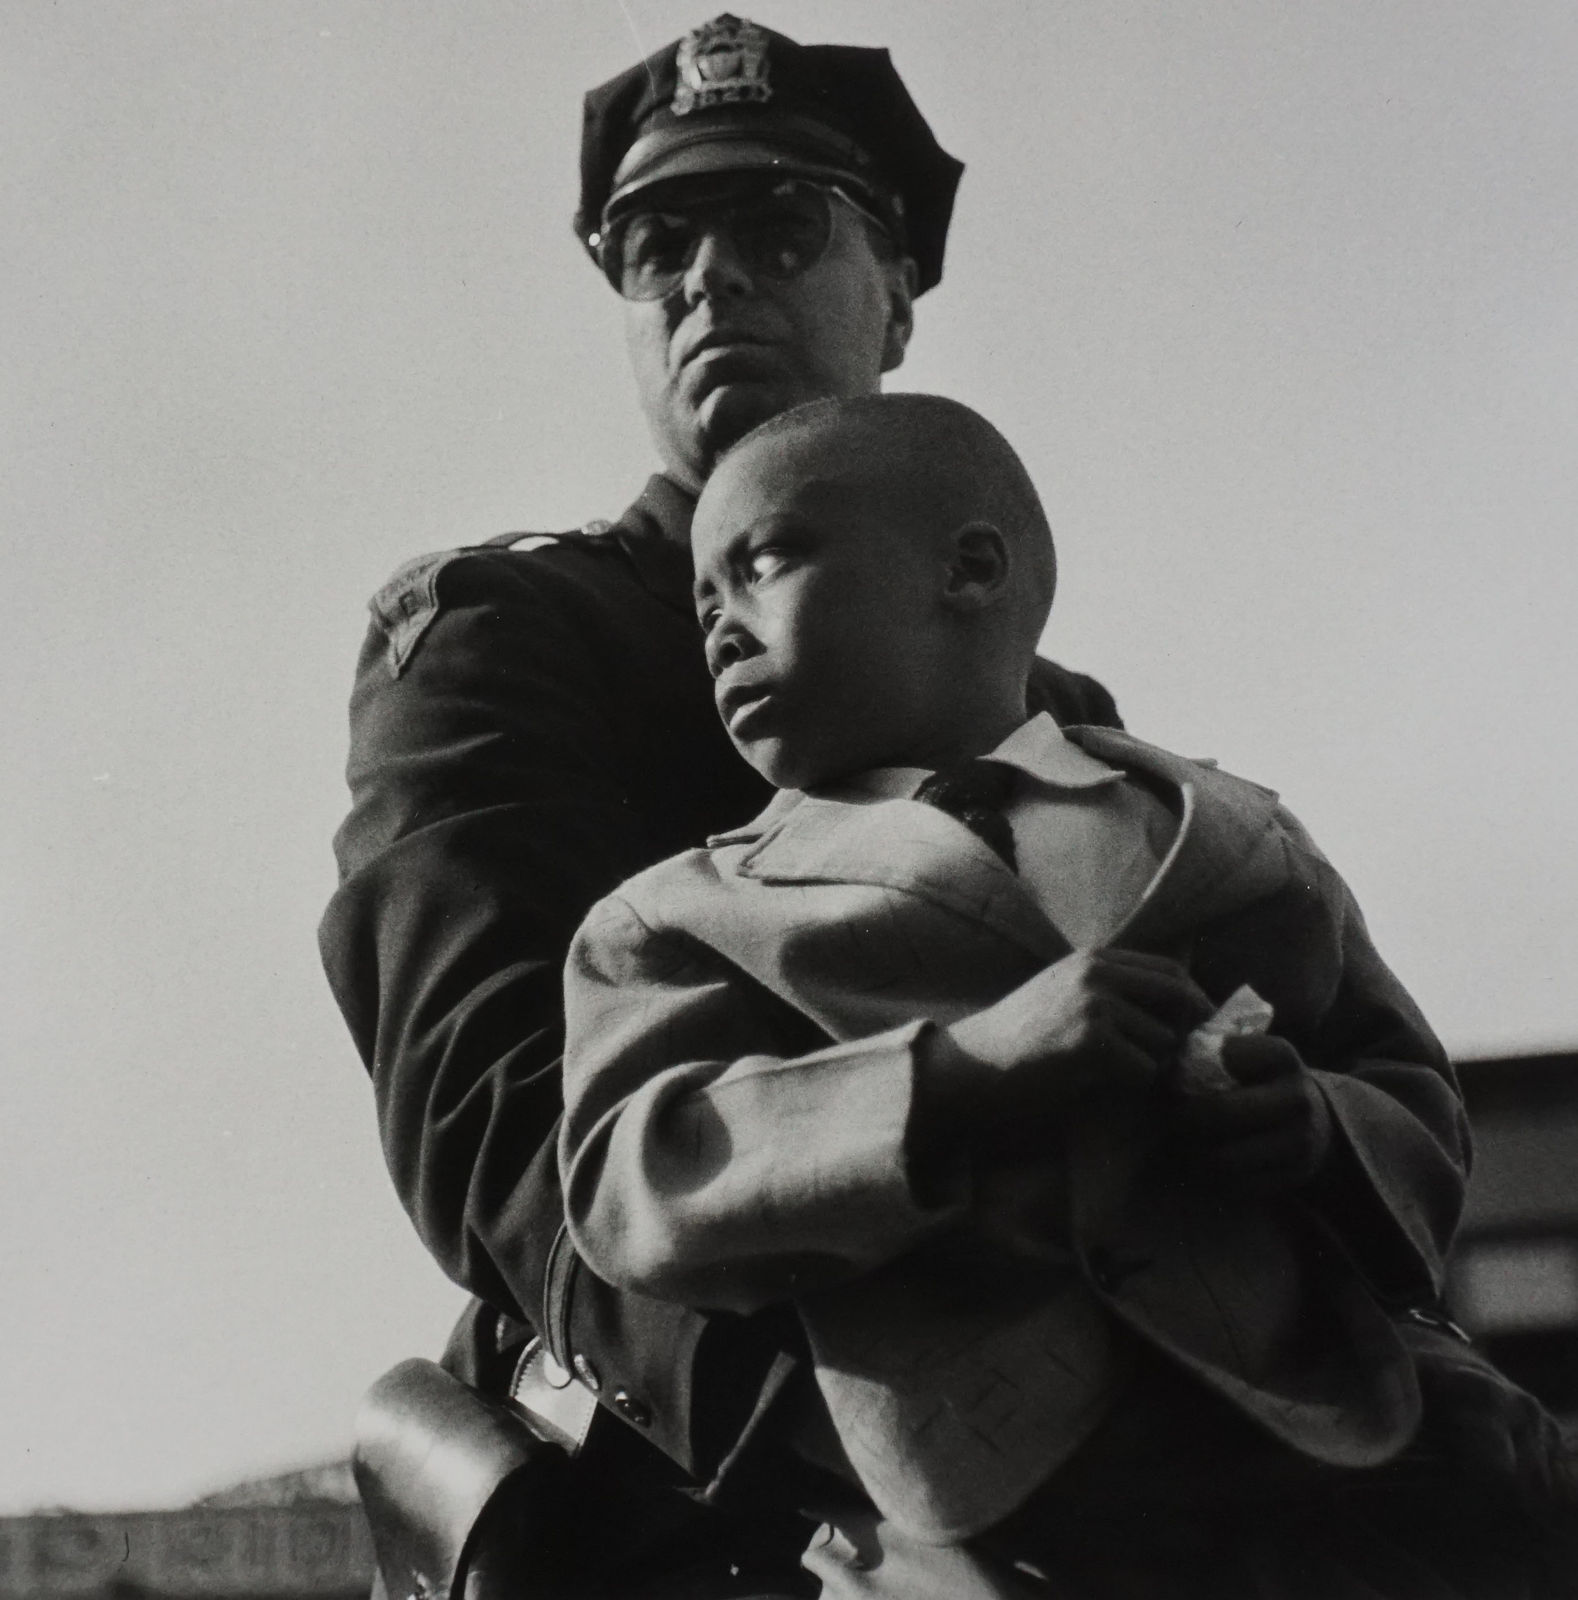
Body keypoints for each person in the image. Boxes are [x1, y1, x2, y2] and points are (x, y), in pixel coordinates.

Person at [321, 16, 1120, 1599]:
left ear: (893, 295)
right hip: (703, 1501)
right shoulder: (506, 639)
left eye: (779, 226)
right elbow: (499, 1116)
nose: (705, 277)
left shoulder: (1051, 715)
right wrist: (872, 1451)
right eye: (652, 245)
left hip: (1073, 1455)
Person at [555, 391, 1491, 1596]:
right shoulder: (681, 915)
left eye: (765, 561)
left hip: (1317, 1454)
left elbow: (1406, 1083)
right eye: (702, 605)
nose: (722, 629)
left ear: (973, 568)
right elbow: (635, 1172)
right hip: (971, 1511)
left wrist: (1319, 1123)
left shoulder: (1235, 829)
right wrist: (959, 1076)